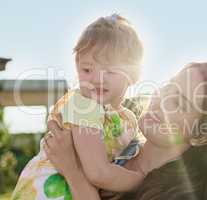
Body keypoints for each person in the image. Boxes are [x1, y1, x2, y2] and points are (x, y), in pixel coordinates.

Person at [45, 62, 207, 200]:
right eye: (168, 86)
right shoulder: (118, 142)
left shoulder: (181, 195)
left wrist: (73, 172)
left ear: (200, 135)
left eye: (178, 102)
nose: (161, 100)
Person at [12, 13, 145, 200]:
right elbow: (98, 173)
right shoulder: (82, 104)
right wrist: (141, 179)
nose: (97, 79)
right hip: (44, 192)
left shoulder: (128, 119)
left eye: (110, 70)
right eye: (87, 69)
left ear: (133, 74)